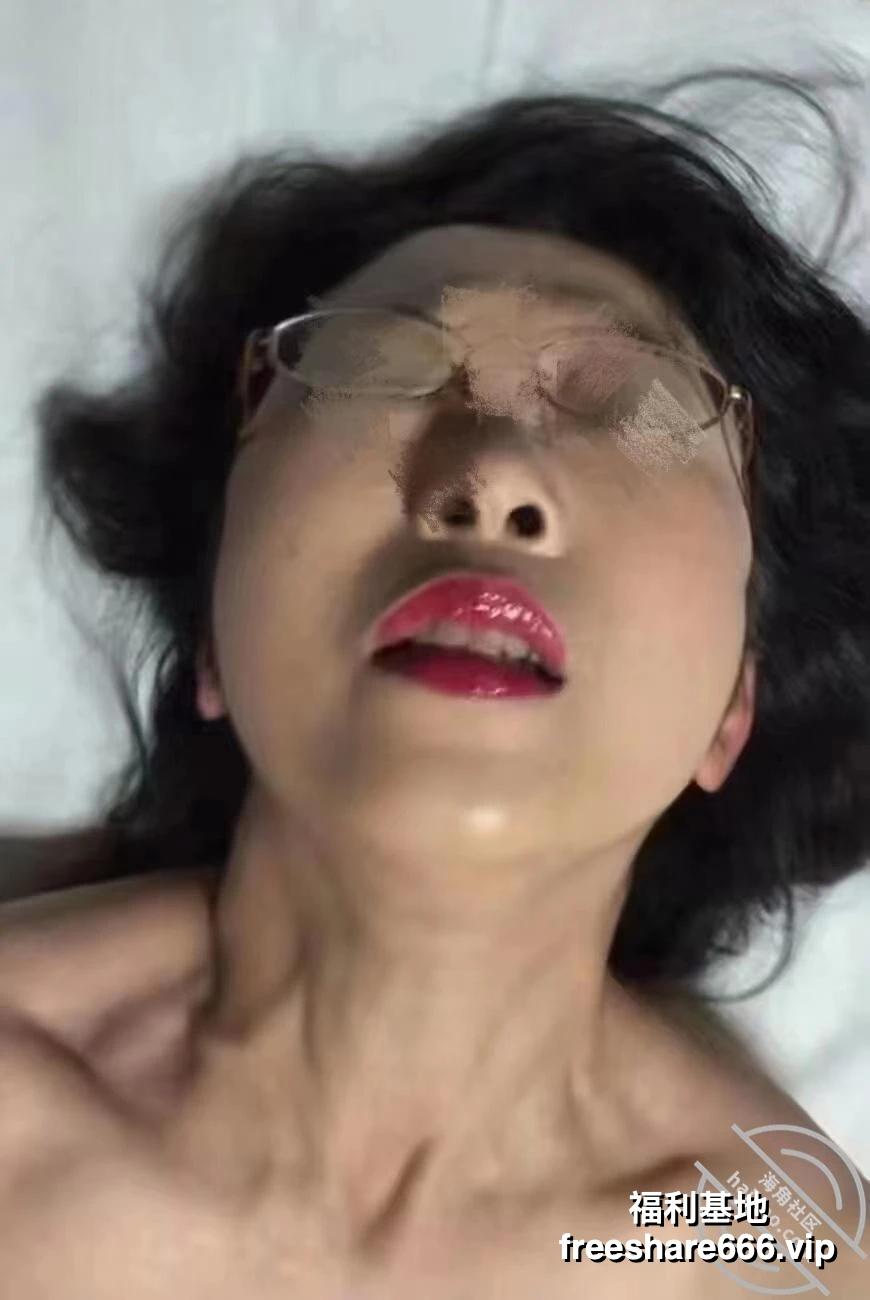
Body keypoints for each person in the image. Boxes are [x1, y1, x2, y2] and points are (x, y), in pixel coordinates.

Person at [2, 81, 870, 1296]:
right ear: (213, 624)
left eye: (631, 402)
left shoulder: (756, 1253)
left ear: (737, 702)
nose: (491, 471)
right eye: (380, 368)